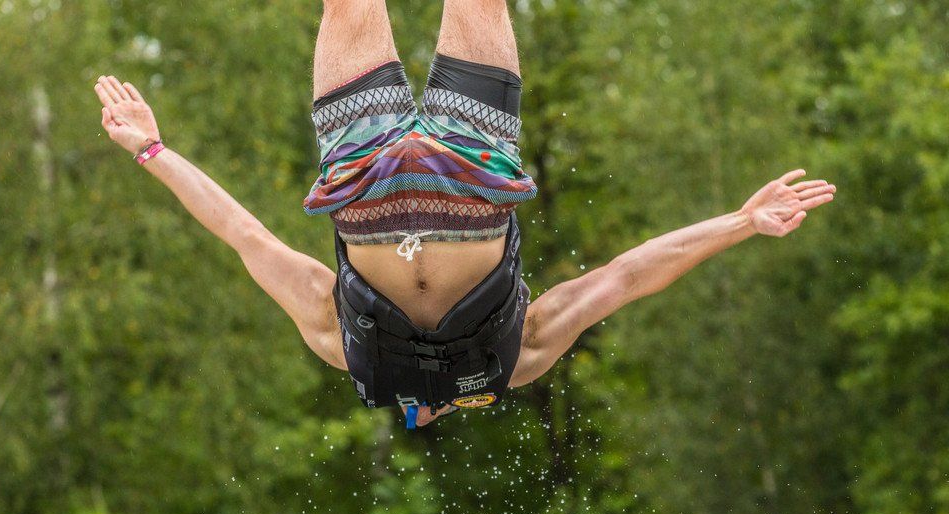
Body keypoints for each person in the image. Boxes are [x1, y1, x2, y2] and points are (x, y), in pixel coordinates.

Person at [93, 0, 836, 429]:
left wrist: (154, 150)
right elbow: (623, 278)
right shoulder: (516, 357)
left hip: (365, 170)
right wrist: (739, 223)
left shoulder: (346, 348)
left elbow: (247, 238)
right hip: (470, 169)